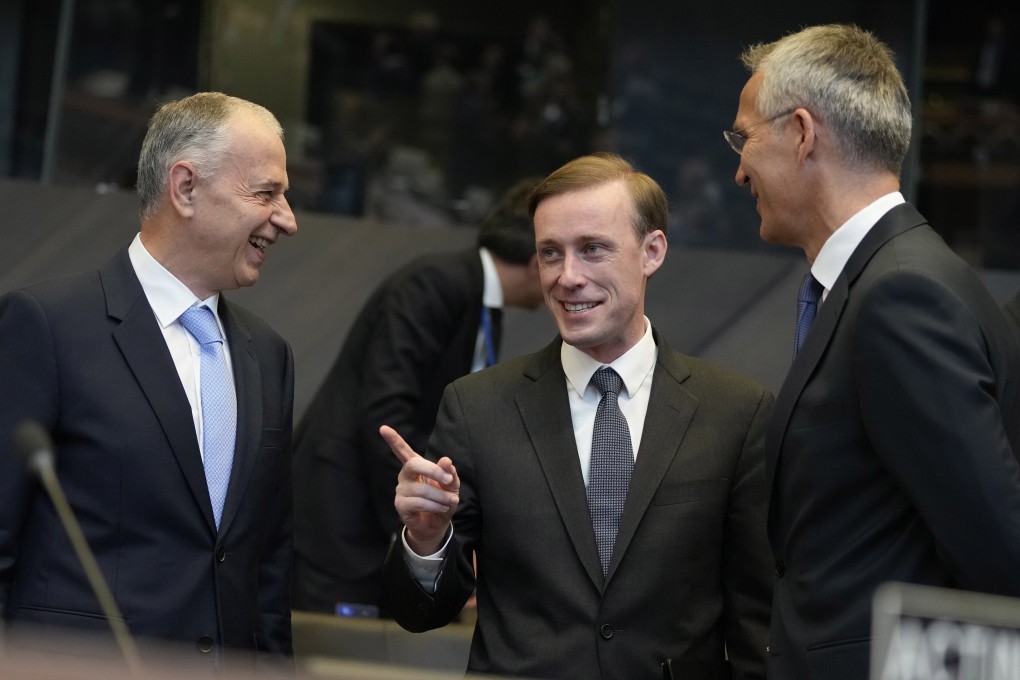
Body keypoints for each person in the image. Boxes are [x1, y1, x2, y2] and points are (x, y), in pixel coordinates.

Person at [380, 152, 774, 679]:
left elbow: (758, 623)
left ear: (651, 252)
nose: (567, 278)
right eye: (550, 254)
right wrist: (426, 541)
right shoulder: (478, 408)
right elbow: (421, 612)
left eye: (593, 250)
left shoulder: (735, 414)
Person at [727, 24, 1020, 680]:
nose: (739, 168)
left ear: (802, 133)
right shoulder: (885, 279)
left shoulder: (901, 296)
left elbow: (997, 549)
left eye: (744, 138)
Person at [0, 92, 298, 666]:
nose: (287, 219)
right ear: (185, 187)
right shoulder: (45, 327)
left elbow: (269, 566)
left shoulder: (269, 355)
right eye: (266, 194)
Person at [291, 177, 544, 616]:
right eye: (558, 254)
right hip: (344, 522)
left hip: (381, 520)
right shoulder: (434, 284)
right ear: (537, 258)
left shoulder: (483, 306)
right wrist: (421, 532)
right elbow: (385, 413)